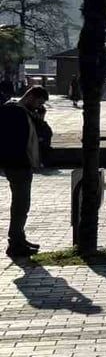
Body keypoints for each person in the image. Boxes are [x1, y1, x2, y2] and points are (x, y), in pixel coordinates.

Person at [0, 86, 49, 258]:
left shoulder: (26, 113)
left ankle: (19, 238)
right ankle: (15, 243)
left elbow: (43, 134)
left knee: (23, 204)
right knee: (21, 205)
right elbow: (14, 140)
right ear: (30, 97)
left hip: (21, 164)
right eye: (38, 103)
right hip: (17, 164)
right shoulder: (14, 111)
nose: (38, 107)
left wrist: (40, 118)